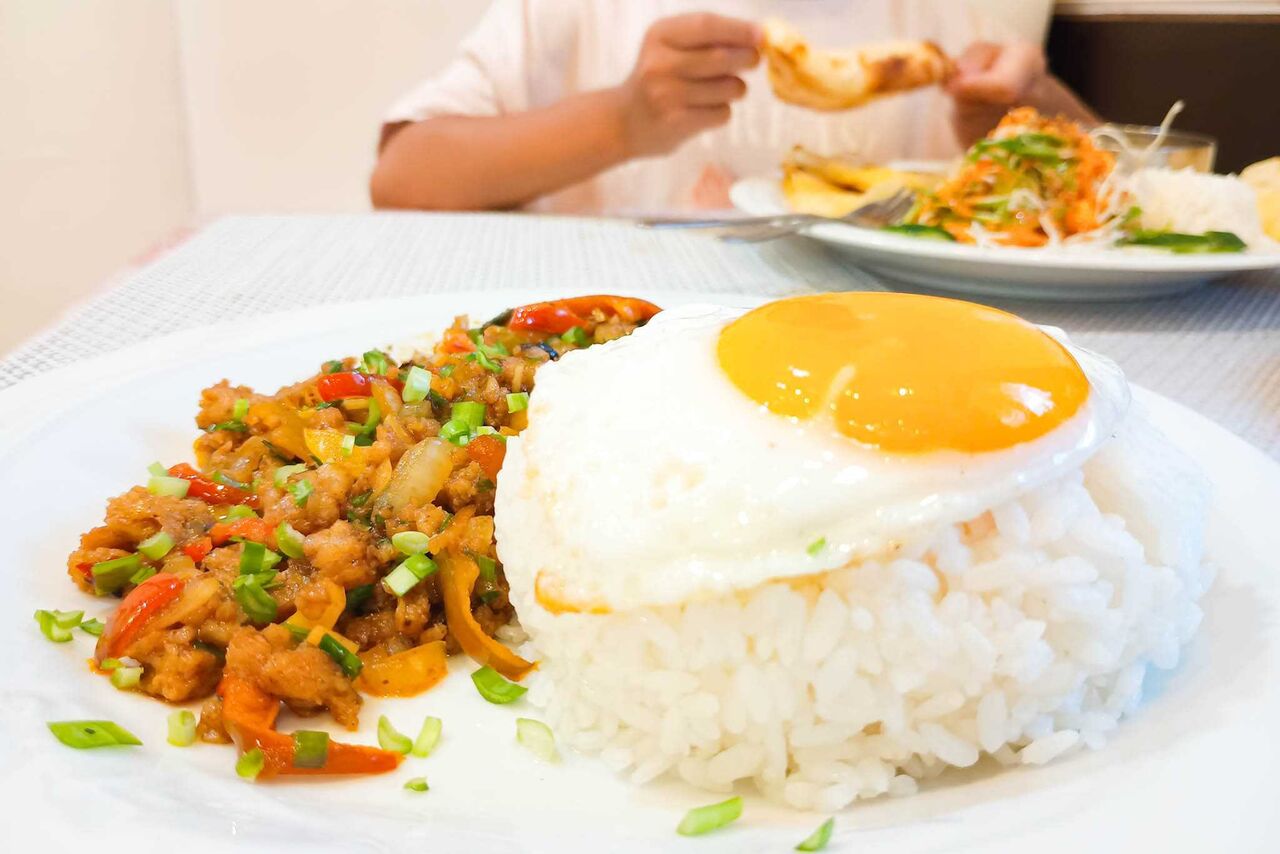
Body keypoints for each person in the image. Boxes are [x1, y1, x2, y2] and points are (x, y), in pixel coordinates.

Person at [371, 1, 1096, 216]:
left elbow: (1126, 184)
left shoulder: (948, 21)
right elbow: (405, 177)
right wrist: (623, 121)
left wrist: (1025, 117)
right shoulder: (582, 12)